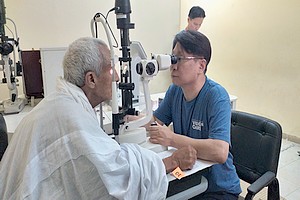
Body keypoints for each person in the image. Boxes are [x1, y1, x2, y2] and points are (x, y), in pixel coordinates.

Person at [0, 37, 198, 199]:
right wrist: (172, 161)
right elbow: (117, 173)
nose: (118, 78)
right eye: (111, 69)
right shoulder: (70, 116)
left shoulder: (61, 102)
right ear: (91, 79)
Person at [147, 31, 242, 199]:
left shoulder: (216, 96)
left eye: (180, 59)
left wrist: (171, 138)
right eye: (172, 58)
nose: (173, 66)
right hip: (186, 176)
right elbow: (155, 122)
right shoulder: (175, 90)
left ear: (201, 66)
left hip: (216, 188)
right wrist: (133, 122)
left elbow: (220, 152)